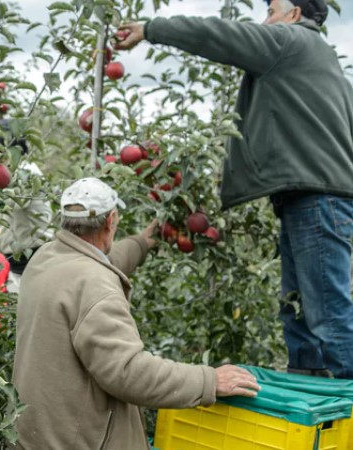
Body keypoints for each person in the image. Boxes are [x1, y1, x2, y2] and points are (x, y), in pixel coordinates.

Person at [115, 0, 353, 379]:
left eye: (272, 10)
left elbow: (222, 35)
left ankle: (346, 414)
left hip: (317, 198)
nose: (265, 21)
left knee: (327, 315)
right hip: (310, 197)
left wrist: (151, 29)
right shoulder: (324, 64)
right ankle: (310, 406)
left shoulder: (288, 41)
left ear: (293, 14)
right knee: (298, 311)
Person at [12, 178, 260, 449]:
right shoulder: (95, 286)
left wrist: (142, 243)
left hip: (38, 434)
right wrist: (208, 380)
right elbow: (128, 373)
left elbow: (100, 261)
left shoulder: (45, 258)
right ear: (111, 220)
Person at [0, 161, 53, 293]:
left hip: (31, 255)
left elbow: (17, 201)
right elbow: (15, 217)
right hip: (22, 258)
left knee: (29, 305)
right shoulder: (10, 177)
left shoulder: (26, 175)